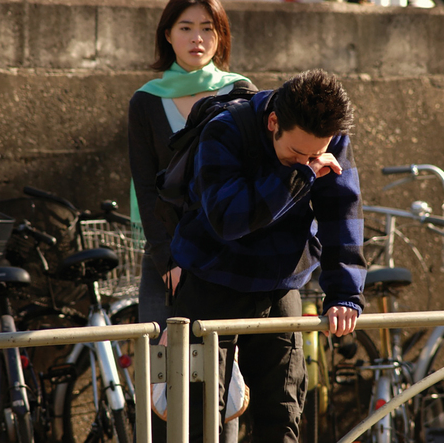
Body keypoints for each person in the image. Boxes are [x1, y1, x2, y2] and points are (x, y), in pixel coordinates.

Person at [171, 69, 367, 443]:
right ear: (273, 122)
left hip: (280, 283)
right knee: (199, 417)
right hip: (212, 279)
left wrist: (345, 294)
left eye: (316, 154)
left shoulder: (329, 135)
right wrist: (302, 177)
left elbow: (342, 212)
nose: (307, 160)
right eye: (296, 153)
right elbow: (228, 219)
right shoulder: (225, 129)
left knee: (283, 414)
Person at [127, 0, 254, 441]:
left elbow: (251, 182)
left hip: (226, 260)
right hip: (166, 262)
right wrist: (168, 260)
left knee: (224, 382)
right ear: (168, 34)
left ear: (221, 35)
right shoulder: (145, 100)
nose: (197, 38)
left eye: (207, 27)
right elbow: (145, 187)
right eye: (185, 27)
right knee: (162, 384)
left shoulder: (242, 94)